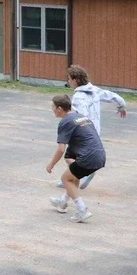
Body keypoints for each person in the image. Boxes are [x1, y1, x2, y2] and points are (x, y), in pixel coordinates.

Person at [61, 65, 126, 189]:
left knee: (71, 156)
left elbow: (80, 115)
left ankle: (76, 176)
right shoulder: (95, 90)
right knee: (80, 155)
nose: (68, 81)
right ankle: (76, 176)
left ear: (75, 80)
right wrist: (121, 105)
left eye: (69, 78)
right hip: (95, 130)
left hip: (84, 130)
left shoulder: (78, 97)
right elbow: (111, 96)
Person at [46, 94, 106, 223]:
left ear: (60, 109)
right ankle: (62, 203)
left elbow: (61, 149)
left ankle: (82, 210)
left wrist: (51, 165)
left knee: (65, 178)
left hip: (88, 157)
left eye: (53, 107)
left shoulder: (65, 122)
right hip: (100, 155)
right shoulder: (80, 116)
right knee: (73, 175)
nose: (52, 109)